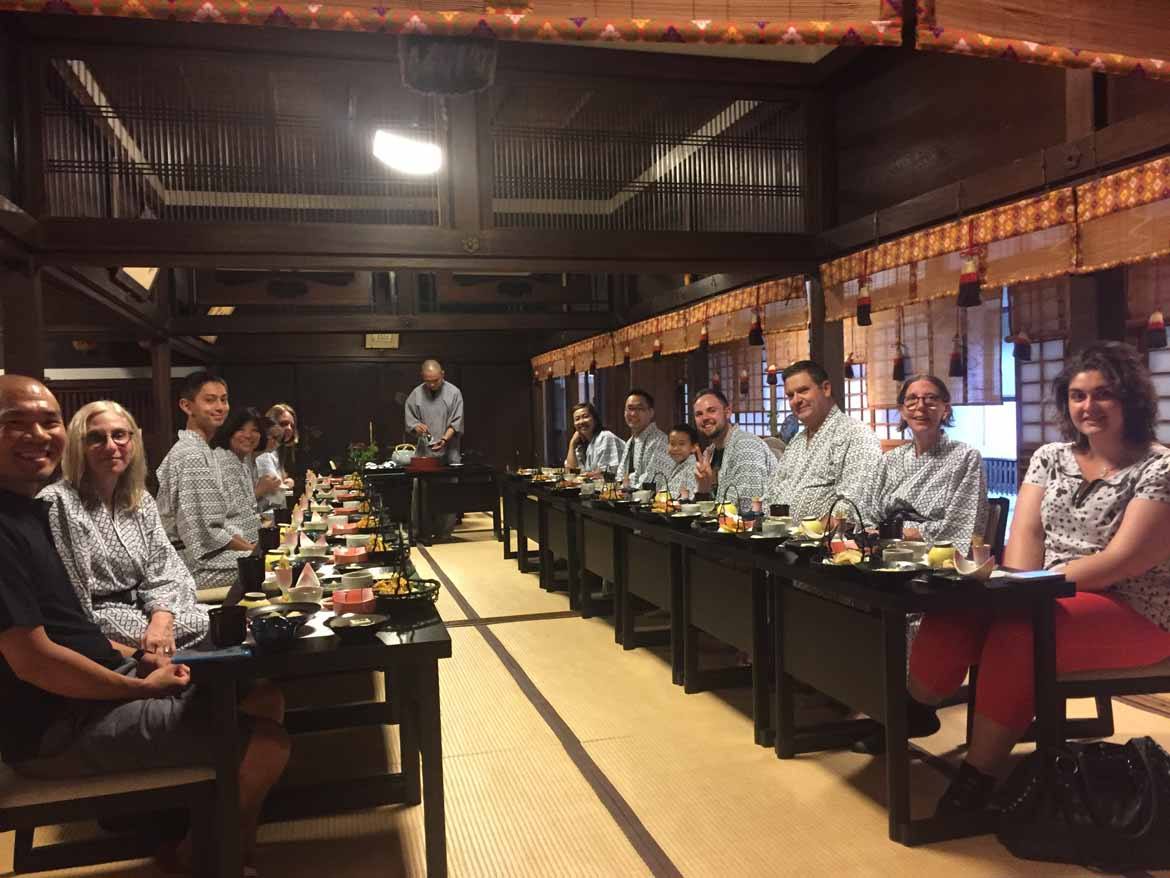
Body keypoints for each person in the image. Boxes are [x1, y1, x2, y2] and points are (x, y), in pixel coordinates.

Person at [0, 375, 288, 874]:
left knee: (264, 695)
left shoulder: (34, 510)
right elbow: (39, 657)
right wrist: (140, 685)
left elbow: (164, 572)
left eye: (47, 422)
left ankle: (208, 838)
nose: (110, 446)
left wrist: (150, 641)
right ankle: (203, 855)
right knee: (267, 743)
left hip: (113, 665)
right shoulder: (51, 508)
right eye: (14, 424)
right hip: (59, 722)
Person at [906, 343, 1170, 815]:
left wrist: (1033, 588)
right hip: (1046, 590)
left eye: (1103, 394)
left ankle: (977, 778)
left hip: (1135, 609)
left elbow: (1124, 560)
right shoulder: (1051, 456)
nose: (1088, 406)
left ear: (1130, 399)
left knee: (1021, 634)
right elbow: (1024, 531)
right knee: (960, 609)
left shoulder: (1159, 466)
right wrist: (1016, 585)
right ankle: (917, 705)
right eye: (1077, 395)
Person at [39, 400, 209, 656]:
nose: (110, 446)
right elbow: (72, 601)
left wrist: (161, 618)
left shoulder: (139, 500)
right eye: (96, 438)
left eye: (119, 435)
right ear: (78, 446)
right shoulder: (57, 502)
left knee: (222, 621)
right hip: (99, 619)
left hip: (150, 607)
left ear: (133, 440)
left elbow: (165, 566)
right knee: (209, 635)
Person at [863, 374, 988, 553]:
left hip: (935, 556)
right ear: (902, 411)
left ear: (945, 409)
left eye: (931, 399)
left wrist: (898, 534)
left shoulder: (965, 457)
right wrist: (875, 537)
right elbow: (867, 513)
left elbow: (963, 526)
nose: (921, 406)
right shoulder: (890, 460)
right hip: (883, 552)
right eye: (912, 400)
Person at [157, 371, 254, 594]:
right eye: (210, 400)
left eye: (224, 399)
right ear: (187, 406)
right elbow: (206, 535)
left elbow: (221, 521)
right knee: (272, 567)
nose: (220, 407)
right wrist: (255, 552)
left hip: (205, 555)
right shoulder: (190, 454)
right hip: (191, 564)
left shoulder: (202, 449)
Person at [765, 360, 882, 522]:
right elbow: (771, 490)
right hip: (776, 537)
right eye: (790, 395)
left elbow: (854, 504)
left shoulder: (856, 434)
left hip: (823, 543)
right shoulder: (796, 442)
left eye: (803, 390)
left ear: (826, 389)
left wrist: (809, 533)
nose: (796, 400)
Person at [692, 387, 777, 501]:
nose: (705, 418)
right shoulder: (710, 452)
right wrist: (703, 488)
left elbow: (747, 507)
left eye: (711, 410)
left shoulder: (746, 446)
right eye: (699, 414)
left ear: (727, 412)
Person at [210, 407, 277, 545]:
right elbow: (229, 519)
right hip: (225, 546)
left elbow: (247, 513)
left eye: (255, 430)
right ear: (229, 431)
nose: (248, 435)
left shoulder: (241, 464)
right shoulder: (222, 460)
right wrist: (253, 549)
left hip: (246, 539)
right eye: (241, 429)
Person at [404, 359, 464, 464]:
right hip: (424, 452)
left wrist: (444, 439)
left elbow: (456, 423)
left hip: (449, 451)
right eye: (428, 381)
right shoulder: (416, 394)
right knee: (423, 479)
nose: (432, 385)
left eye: (435, 380)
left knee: (448, 478)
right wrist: (417, 427)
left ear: (442, 374)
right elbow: (411, 422)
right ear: (422, 376)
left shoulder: (454, 393)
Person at [616, 388, 668, 489]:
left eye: (639, 409)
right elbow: (621, 475)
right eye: (630, 408)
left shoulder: (660, 441)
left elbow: (651, 481)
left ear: (651, 413)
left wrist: (623, 486)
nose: (633, 414)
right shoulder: (630, 442)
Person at [565, 402, 625, 476]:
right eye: (577, 419)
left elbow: (606, 472)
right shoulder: (580, 445)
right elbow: (571, 473)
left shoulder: (605, 437)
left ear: (595, 419)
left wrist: (582, 476)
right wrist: (572, 444)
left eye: (585, 416)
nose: (581, 421)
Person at [653, 423, 700, 498]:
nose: (675, 448)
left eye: (681, 444)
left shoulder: (693, 469)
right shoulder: (674, 466)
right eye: (672, 444)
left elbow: (690, 500)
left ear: (694, 447)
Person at [255, 418, 288, 511]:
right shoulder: (261, 458)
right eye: (274, 437)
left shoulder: (258, 457)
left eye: (279, 440)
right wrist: (259, 491)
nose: (276, 443)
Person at [265, 403, 298, 487]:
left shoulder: (279, 451)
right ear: (271, 423)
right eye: (284, 423)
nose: (289, 428)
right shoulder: (262, 452)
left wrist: (288, 485)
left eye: (292, 426)